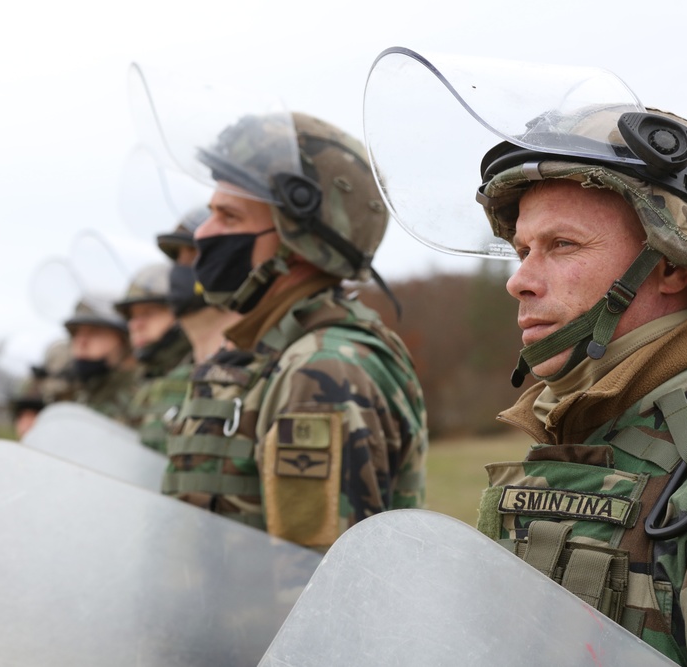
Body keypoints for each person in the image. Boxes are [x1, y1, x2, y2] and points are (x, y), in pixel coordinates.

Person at [362, 49, 687, 665]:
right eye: (522, 249)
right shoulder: (570, 450)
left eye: (561, 245)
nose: (519, 280)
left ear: (673, 265)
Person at [136, 79, 428, 550]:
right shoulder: (268, 355)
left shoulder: (323, 369)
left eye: (229, 218)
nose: (205, 234)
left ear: (299, 245)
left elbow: (309, 588)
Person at [114, 263, 193, 452]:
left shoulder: (200, 371)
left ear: (179, 312)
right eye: (132, 317)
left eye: (148, 313)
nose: (135, 325)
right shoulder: (137, 382)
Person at [64, 295, 138, 424]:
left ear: (124, 341)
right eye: (76, 333)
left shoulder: (141, 393)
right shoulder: (82, 393)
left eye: (94, 333)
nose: (82, 342)